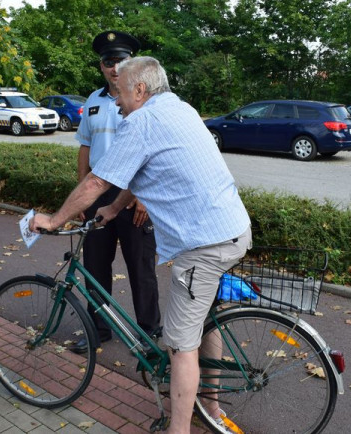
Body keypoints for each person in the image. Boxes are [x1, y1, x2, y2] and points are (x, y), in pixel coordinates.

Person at [30, 56, 251, 434]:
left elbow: (96, 181)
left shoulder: (142, 121)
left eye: (119, 93)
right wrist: (116, 209)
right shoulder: (179, 108)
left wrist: (53, 220)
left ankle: (179, 428)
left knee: (180, 346)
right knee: (205, 321)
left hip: (204, 246)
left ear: (140, 90)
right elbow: (141, 169)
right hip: (231, 230)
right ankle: (209, 405)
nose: (116, 101)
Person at [70, 30, 161, 353]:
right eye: (108, 62)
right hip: (99, 194)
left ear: (131, 63)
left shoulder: (144, 100)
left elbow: (153, 152)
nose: (114, 68)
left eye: (120, 61)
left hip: (134, 194)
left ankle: (149, 331)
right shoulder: (93, 102)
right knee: (95, 266)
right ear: (101, 66)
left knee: (141, 266)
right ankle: (99, 329)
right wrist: (83, 192)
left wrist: (143, 196)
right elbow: (85, 147)